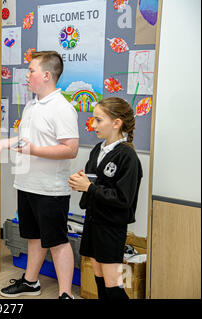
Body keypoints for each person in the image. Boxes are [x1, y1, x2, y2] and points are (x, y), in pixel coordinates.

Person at [0, 51, 79, 299]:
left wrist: (33, 150)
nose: (27, 75)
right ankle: (30, 282)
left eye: (31, 71)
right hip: (27, 185)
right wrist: (3, 144)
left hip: (50, 190)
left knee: (58, 242)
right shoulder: (32, 105)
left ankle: (65, 294)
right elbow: (27, 139)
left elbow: (70, 149)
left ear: (46, 75)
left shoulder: (62, 108)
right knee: (33, 238)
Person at [68, 97, 143, 299]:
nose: (93, 125)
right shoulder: (98, 150)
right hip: (93, 223)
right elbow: (95, 182)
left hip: (111, 227)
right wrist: (81, 182)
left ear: (116, 123)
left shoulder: (127, 156)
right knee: (99, 279)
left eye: (98, 120)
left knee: (114, 287)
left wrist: (89, 188)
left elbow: (123, 198)